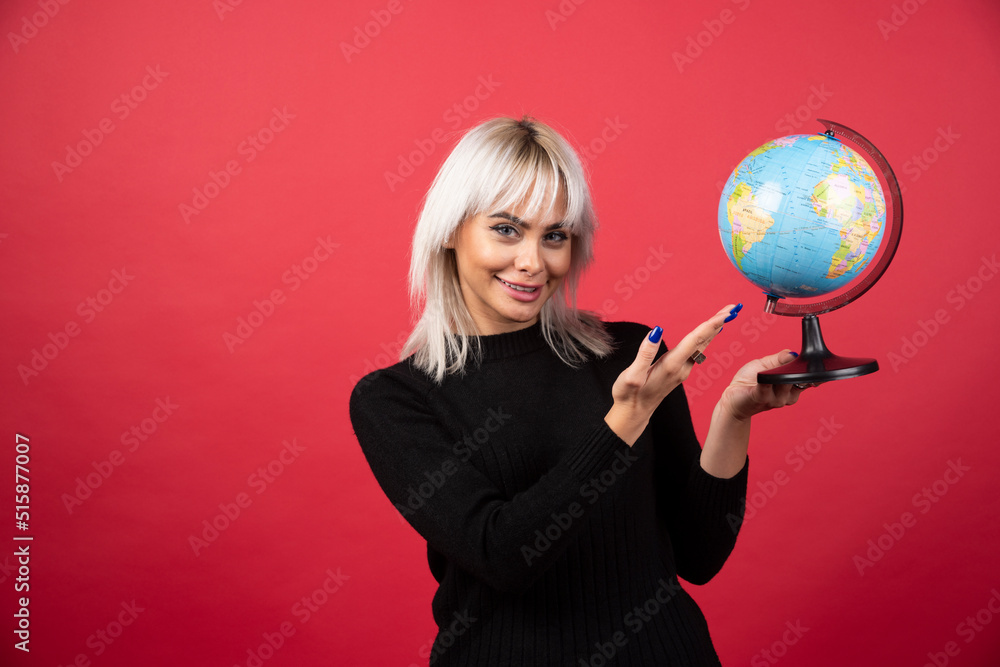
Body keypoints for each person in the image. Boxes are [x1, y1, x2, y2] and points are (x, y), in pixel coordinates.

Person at [349, 116, 806, 666]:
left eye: (555, 236)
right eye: (505, 229)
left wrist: (734, 416)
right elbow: (503, 554)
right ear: (450, 229)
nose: (533, 262)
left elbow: (700, 556)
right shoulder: (397, 400)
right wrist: (621, 423)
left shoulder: (628, 355)